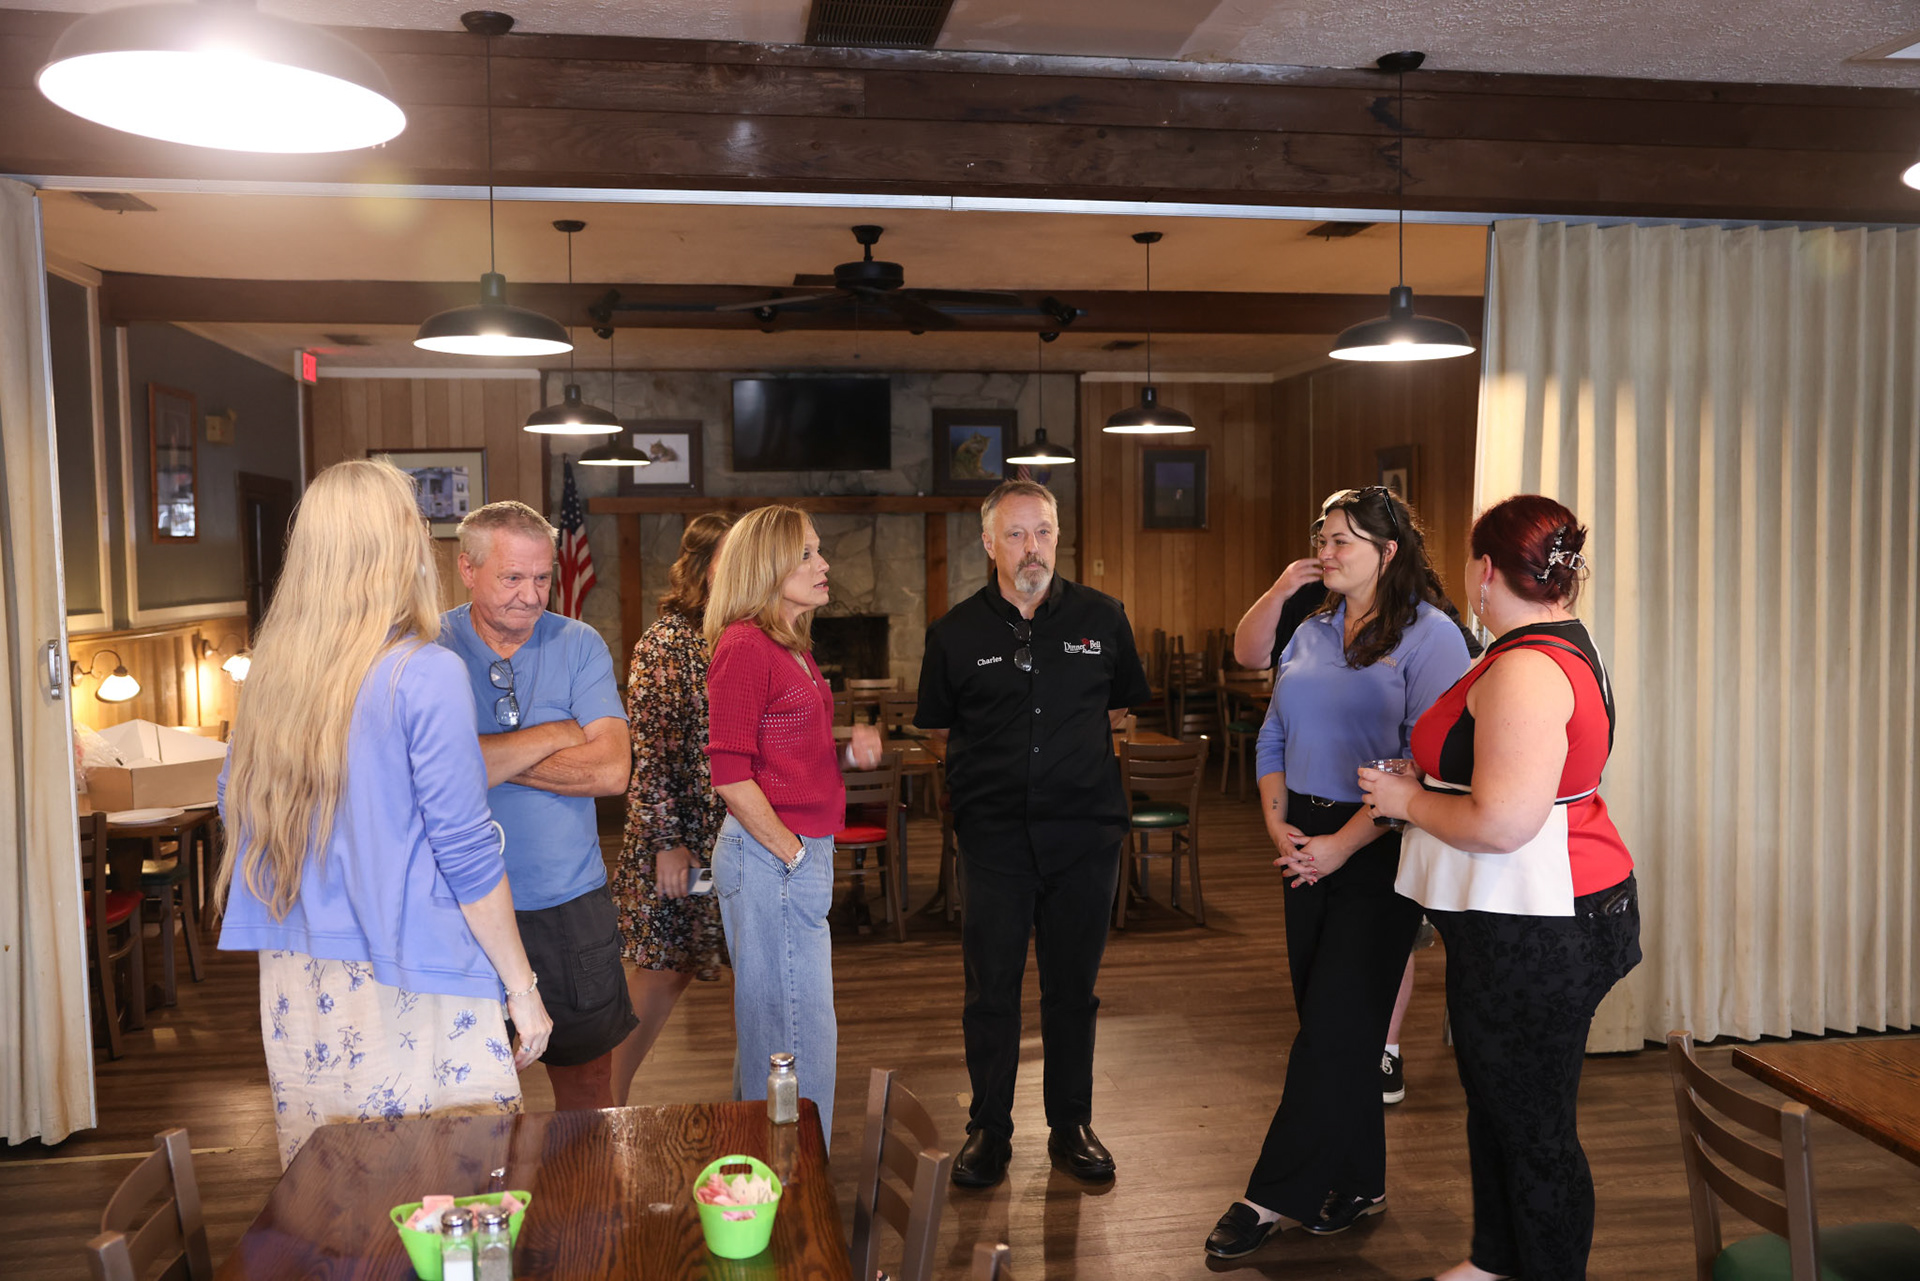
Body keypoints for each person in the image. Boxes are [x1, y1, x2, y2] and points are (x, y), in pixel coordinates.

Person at [215, 460, 553, 1168]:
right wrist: (522, 989)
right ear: (398, 549)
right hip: (413, 972)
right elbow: (466, 850)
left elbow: (234, 807)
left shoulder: (272, 672)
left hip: (298, 975)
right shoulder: (425, 672)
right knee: (451, 1191)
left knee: (332, 1192)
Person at [1363, 495, 1639, 1281]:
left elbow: (1504, 820)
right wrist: (1434, 777)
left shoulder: (1525, 668)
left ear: (1484, 570)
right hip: (1523, 918)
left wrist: (1406, 800)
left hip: (1543, 926)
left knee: (1534, 1127)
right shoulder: (1549, 643)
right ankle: (1496, 1260)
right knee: (1496, 1102)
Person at [1205, 485, 1470, 1259]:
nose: (1325, 551)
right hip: (1304, 842)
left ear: (1387, 553)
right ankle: (1360, 1183)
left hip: (1379, 845)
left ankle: (1269, 1195)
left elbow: (1423, 765)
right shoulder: (1313, 628)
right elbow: (1274, 731)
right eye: (1321, 538)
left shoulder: (1432, 636)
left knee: (1331, 1030)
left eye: (1341, 540)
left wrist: (1342, 846)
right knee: (1339, 1029)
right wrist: (1276, 822)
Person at [915, 479, 1152, 1188]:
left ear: (1058, 536)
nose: (1032, 548)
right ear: (988, 543)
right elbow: (938, 730)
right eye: (1015, 534)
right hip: (994, 841)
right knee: (991, 990)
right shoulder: (954, 633)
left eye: (1043, 531)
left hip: (1085, 837)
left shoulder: (1103, 617)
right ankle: (988, 1129)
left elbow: (1120, 710)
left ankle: (1070, 1124)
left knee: (1072, 989)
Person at [437, 500, 635, 1111]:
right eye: (512, 577)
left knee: (588, 1088)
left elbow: (611, 771)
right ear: (468, 569)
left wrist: (478, 760)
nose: (530, 596)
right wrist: (554, 734)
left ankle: (585, 1181)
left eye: (543, 577)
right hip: (454, 907)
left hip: (570, 905)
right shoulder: (429, 648)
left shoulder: (579, 643)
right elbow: (422, 772)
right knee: (466, 1097)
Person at [705, 505, 883, 1141]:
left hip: (788, 853)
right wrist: (794, 854)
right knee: (796, 1040)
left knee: (776, 1033)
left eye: (819, 549)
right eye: (806, 553)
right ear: (767, 565)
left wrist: (846, 756)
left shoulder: (790, 644)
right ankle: (797, 1183)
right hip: (773, 857)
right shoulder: (745, 645)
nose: (823, 563)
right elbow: (729, 774)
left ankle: (767, 1172)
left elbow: (782, 760)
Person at [609, 512, 732, 1105]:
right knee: (662, 970)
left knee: (697, 967)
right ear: (708, 569)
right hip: (678, 839)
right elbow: (649, 753)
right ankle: (606, 1103)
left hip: (727, 837)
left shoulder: (734, 634)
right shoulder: (666, 643)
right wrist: (668, 843)